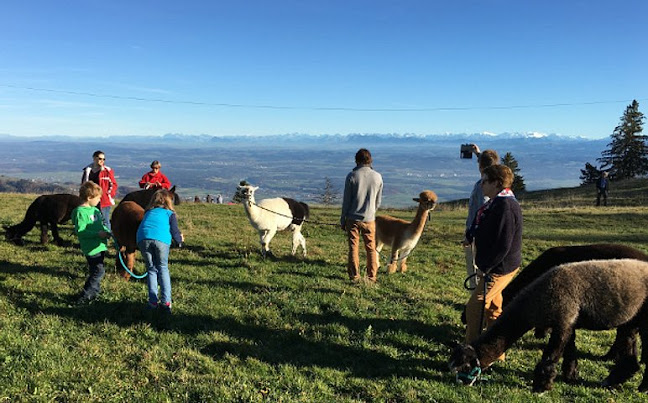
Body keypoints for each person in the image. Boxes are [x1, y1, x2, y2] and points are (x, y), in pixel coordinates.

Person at [464, 164, 522, 346]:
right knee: (494, 308)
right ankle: (497, 348)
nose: (481, 185)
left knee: (475, 306)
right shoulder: (498, 202)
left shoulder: (505, 207)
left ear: (497, 183)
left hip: (499, 268)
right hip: (498, 266)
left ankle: (471, 348)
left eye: (485, 181)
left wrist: (486, 268)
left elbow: (503, 244)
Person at [136, 189, 184, 313]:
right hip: (161, 240)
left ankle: (152, 302)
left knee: (151, 269)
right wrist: (179, 241)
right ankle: (166, 302)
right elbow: (174, 231)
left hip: (142, 239)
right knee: (162, 268)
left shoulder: (148, 212)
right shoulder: (169, 213)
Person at [340, 148, 383, 283]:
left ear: (357, 160)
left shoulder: (352, 176)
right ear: (370, 160)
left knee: (353, 247)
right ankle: (372, 276)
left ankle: (355, 276)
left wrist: (343, 218)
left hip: (352, 218)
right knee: (371, 249)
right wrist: (371, 212)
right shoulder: (377, 176)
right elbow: (378, 201)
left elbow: (346, 200)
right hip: (369, 219)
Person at [461, 145, 500, 291]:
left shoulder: (482, 186)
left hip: (477, 232)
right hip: (482, 232)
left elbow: (482, 211)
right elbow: (489, 166)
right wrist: (478, 153)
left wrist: (470, 234)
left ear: (480, 166)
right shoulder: (495, 181)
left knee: (476, 265)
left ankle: (476, 296)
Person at [72, 181, 112, 304]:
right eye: (98, 198)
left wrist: (107, 232)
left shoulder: (95, 211)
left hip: (100, 245)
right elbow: (80, 231)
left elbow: (101, 225)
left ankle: (94, 293)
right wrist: (96, 234)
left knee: (95, 270)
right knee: (99, 271)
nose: (100, 200)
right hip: (91, 247)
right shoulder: (80, 212)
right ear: (89, 198)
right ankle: (85, 296)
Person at [81, 150, 117, 230]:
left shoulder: (107, 171)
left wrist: (109, 194)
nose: (102, 161)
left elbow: (113, 184)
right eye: (100, 158)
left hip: (104, 200)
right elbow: (84, 184)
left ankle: (106, 237)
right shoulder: (87, 171)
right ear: (94, 158)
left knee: (105, 220)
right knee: (92, 219)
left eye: (104, 159)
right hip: (91, 199)